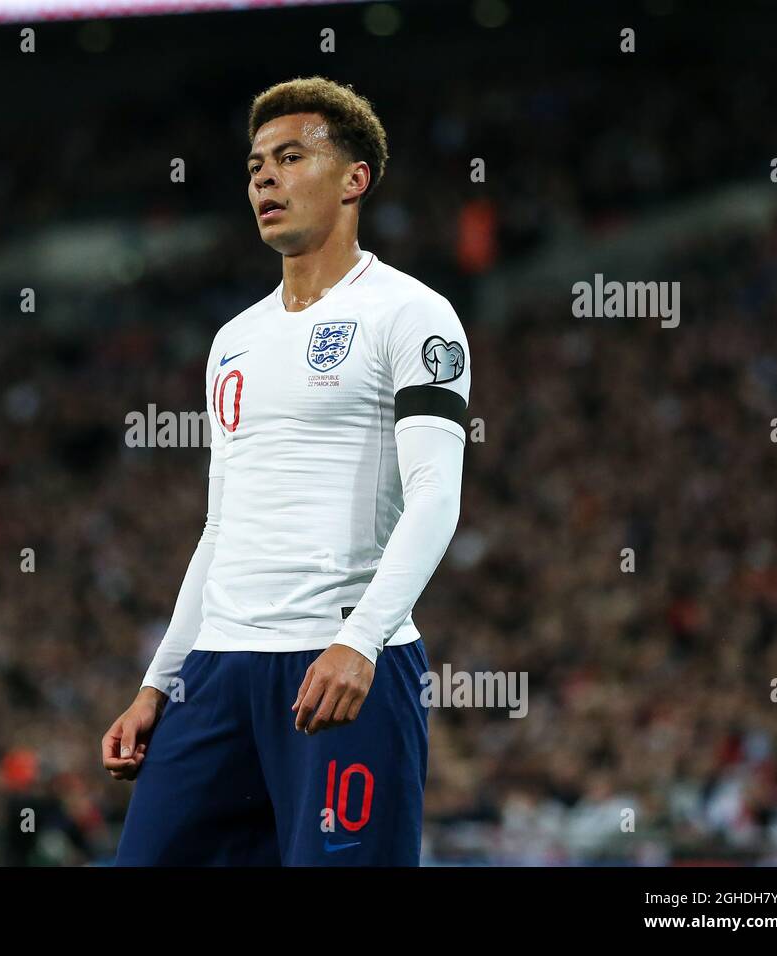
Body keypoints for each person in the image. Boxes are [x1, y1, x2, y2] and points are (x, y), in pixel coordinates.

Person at [103, 76, 471, 865]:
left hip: (340, 665)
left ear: (353, 179)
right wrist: (159, 684)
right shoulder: (232, 339)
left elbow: (437, 497)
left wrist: (360, 642)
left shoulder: (411, 314)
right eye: (254, 165)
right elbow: (218, 528)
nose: (263, 177)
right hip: (217, 676)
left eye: (290, 156)